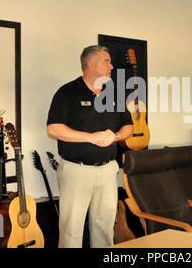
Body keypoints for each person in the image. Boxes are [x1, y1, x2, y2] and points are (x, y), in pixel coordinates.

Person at [47, 45, 134, 248]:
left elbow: (129, 125)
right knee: (71, 230)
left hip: (108, 170)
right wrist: (90, 137)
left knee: (104, 228)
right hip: (76, 171)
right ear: (91, 64)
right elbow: (54, 129)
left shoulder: (115, 94)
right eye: (107, 61)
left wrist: (116, 136)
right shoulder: (67, 92)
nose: (111, 66)